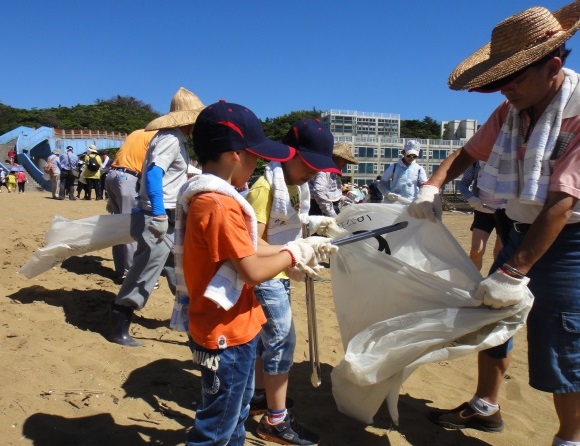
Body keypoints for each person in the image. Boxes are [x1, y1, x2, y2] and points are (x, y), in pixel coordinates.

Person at [408, 3, 580, 444]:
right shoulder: (510, 113)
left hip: (571, 240)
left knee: (562, 339)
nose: (506, 91)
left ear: (553, 66)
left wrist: (513, 270)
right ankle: (486, 405)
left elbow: (562, 203)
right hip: (521, 229)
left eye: (515, 79)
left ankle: (570, 437)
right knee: (490, 318)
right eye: (500, 82)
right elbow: (467, 153)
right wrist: (433, 183)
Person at [180, 100, 336, 446]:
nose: (258, 163)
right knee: (215, 429)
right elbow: (250, 269)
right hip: (226, 335)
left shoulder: (217, 198)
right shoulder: (217, 203)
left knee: (234, 418)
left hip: (238, 329)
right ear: (236, 154)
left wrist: (291, 254)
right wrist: (294, 251)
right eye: (254, 155)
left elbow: (250, 247)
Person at [245, 118, 340, 445]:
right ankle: (275, 420)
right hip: (265, 274)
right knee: (282, 341)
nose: (313, 173)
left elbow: (292, 227)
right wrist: (296, 250)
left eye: (319, 169)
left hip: (282, 271)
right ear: (288, 154)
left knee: (264, 339)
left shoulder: (298, 187)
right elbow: (253, 245)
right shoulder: (264, 186)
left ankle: (260, 396)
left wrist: (316, 227)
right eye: (309, 165)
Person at [111, 87, 204, 347]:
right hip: (158, 215)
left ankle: (191, 328)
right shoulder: (171, 138)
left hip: (172, 216)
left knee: (179, 273)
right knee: (145, 270)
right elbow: (153, 174)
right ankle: (119, 325)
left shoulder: (174, 139)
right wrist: (161, 213)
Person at [105, 129, 157, 280]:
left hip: (112, 175)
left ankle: (121, 270)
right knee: (131, 227)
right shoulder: (157, 138)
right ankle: (130, 273)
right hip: (127, 178)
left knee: (119, 225)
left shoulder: (136, 133)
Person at [458, 161, 505, 270]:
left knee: (500, 253)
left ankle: (495, 283)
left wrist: (509, 203)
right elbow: (463, 184)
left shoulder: (509, 157)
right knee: (476, 250)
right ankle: (473, 283)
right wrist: (470, 197)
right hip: (482, 211)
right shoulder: (476, 162)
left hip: (504, 212)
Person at [308, 141, 359, 216]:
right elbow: (319, 191)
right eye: (344, 161)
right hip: (320, 209)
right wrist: (330, 212)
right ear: (337, 157)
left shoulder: (333, 172)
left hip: (327, 207)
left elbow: (330, 191)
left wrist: (341, 198)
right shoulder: (325, 169)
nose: (345, 164)